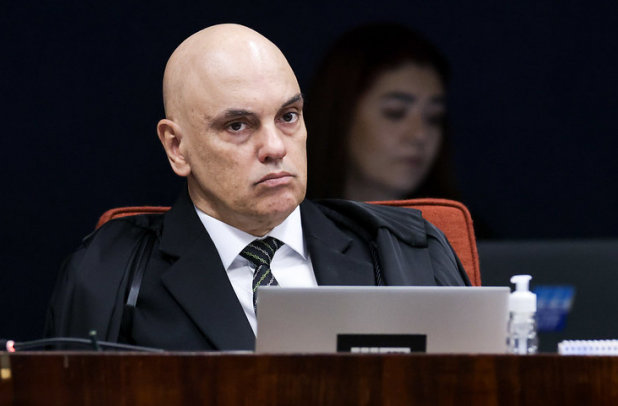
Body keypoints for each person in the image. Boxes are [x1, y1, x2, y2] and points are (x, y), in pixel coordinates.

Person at [45, 24, 469, 352]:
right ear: (177, 147)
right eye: (238, 125)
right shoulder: (108, 274)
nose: (275, 147)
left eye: (288, 117)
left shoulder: (405, 249)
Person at [305, 22, 459, 202]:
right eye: (395, 112)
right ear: (341, 115)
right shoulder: (288, 218)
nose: (420, 135)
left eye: (434, 117)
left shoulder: (462, 221)